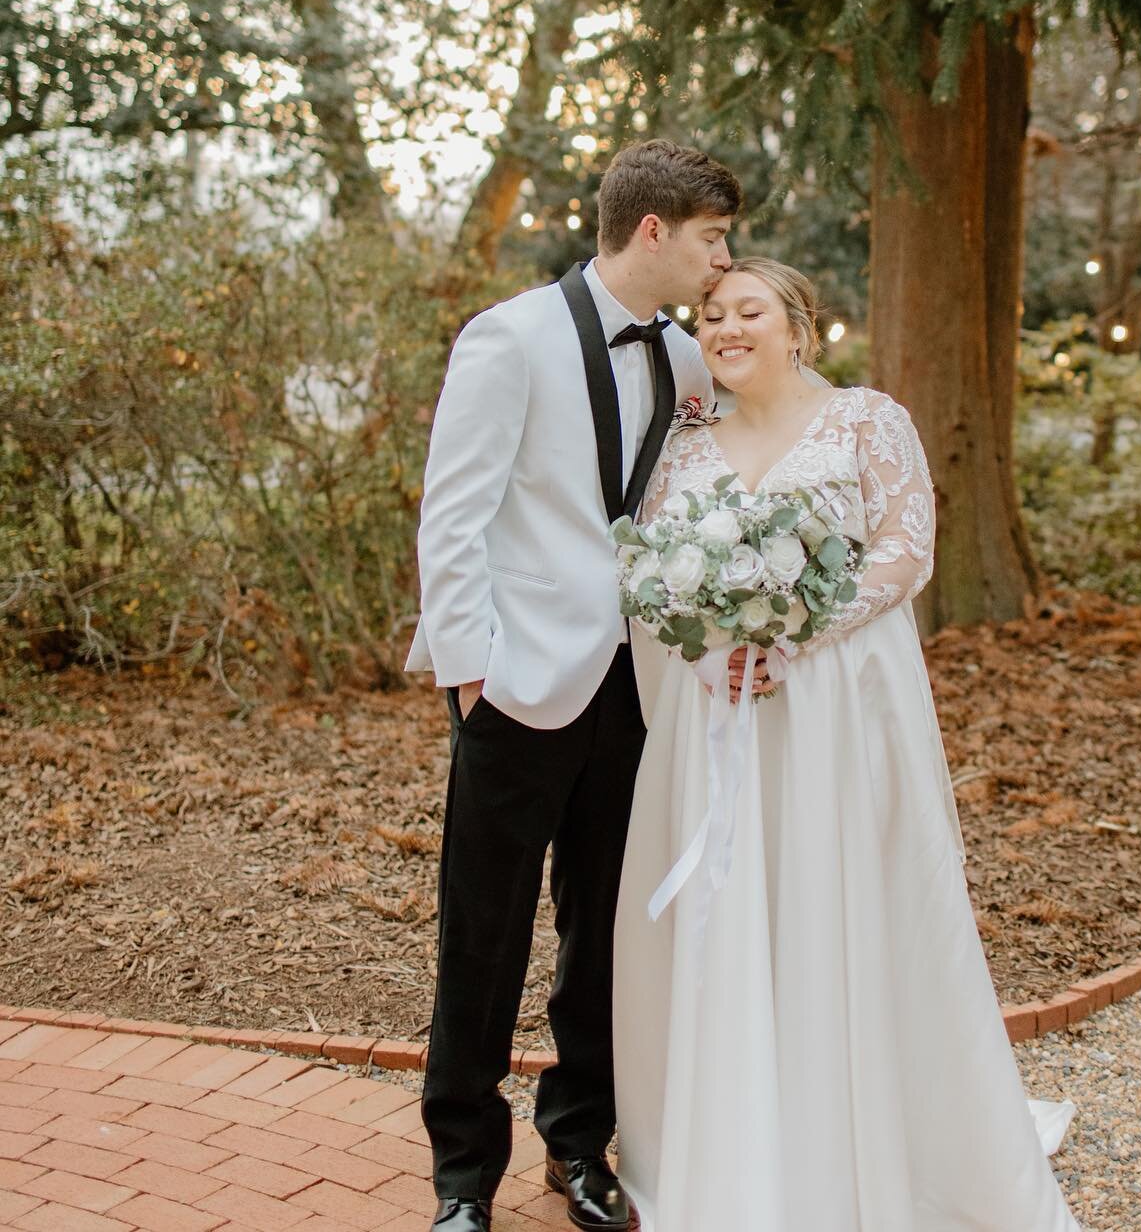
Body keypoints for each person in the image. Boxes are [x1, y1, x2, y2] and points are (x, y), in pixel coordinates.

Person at [614, 256, 1083, 1232]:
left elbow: (907, 554)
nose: (726, 328)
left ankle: (862, 1134)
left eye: (749, 312)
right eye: (711, 316)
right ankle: (744, 1138)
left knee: (845, 900)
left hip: (837, 705)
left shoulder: (869, 421)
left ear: (799, 328)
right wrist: (713, 649)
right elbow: (659, 577)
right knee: (743, 906)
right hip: (724, 712)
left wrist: (796, 630)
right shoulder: (685, 446)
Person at [406, 140, 742, 1232]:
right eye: (711, 237)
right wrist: (470, 676)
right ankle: (463, 1177)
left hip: (640, 693)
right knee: (483, 936)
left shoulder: (690, 365)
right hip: (518, 686)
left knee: (605, 932)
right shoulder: (509, 338)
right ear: (653, 231)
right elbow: (452, 517)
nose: (723, 260)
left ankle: (580, 1146)